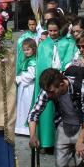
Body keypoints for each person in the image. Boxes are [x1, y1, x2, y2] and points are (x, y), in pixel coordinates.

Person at [28, 68, 84, 167]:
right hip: (64, 126)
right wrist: (33, 135)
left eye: (51, 92)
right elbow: (34, 113)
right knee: (60, 165)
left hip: (83, 128)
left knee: (83, 165)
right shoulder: (48, 89)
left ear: (62, 85)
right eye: (47, 91)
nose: (48, 95)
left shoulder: (82, 87)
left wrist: (81, 141)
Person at [31, 17, 76, 152]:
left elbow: (69, 59)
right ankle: (46, 142)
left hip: (61, 81)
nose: (52, 33)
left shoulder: (68, 43)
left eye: (55, 30)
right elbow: (41, 64)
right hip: (48, 82)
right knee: (45, 110)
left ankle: (67, 141)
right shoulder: (44, 45)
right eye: (50, 30)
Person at [15, 38, 38, 137]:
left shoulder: (32, 61)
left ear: (33, 49)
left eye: (28, 49)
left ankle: (26, 129)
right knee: (22, 106)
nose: (26, 52)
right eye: (24, 50)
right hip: (24, 87)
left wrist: (19, 78)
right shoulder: (27, 59)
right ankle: (20, 128)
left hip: (29, 88)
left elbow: (31, 75)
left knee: (27, 106)